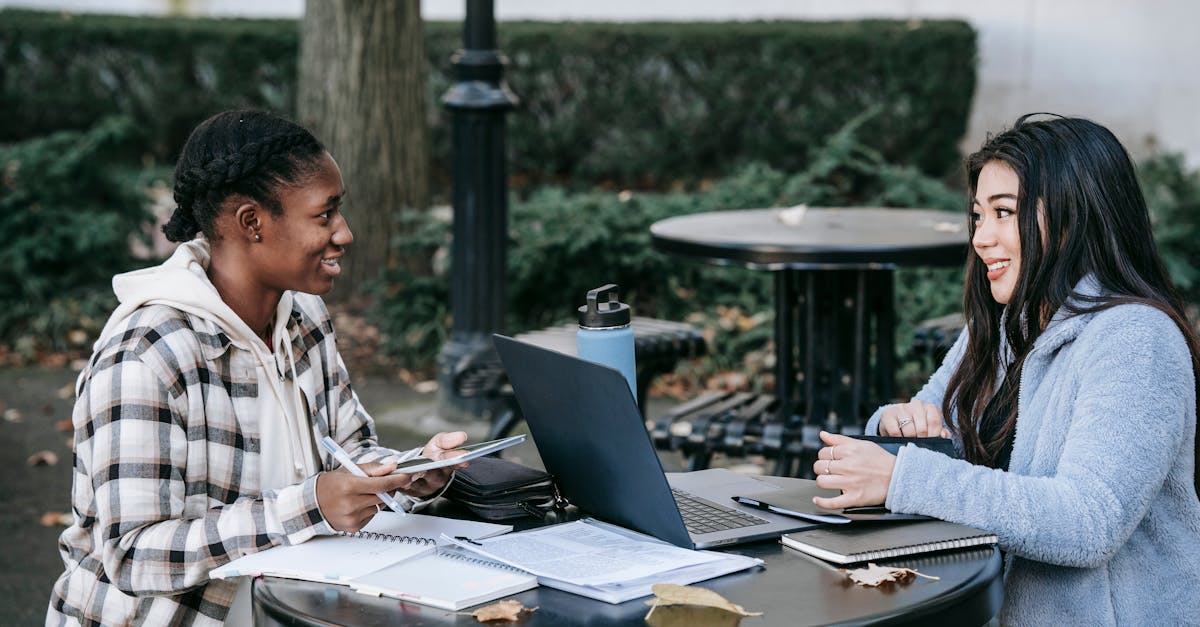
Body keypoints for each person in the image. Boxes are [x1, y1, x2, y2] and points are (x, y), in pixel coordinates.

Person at [47, 109, 468, 626]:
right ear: (252, 222)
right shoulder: (147, 356)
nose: (345, 233)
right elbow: (134, 554)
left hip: (288, 611)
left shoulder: (303, 316)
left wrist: (406, 474)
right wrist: (310, 506)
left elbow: (350, 451)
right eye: (325, 215)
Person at [811, 115, 1200, 624]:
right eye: (978, 215)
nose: (981, 238)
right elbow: (931, 423)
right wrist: (895, 426)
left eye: (1003, 213)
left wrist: (904, 476)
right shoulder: (1000, 325)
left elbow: (1089, 520)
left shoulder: (1134, 340)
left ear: (1074, 216)